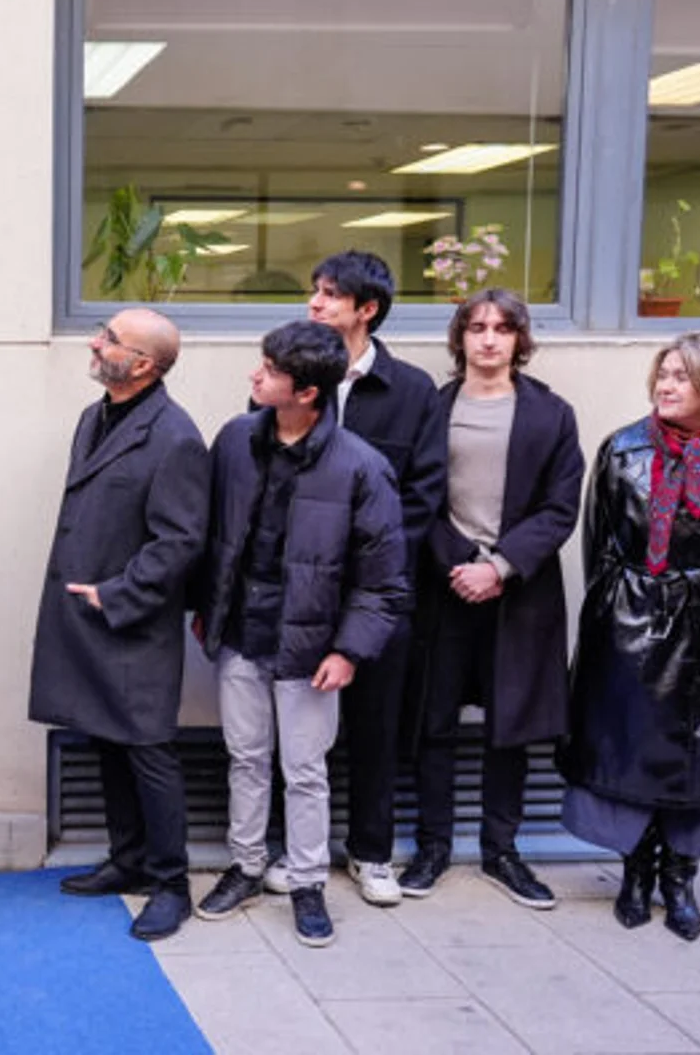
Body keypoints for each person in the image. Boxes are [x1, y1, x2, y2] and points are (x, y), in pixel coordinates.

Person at [193, 320, 408, 948]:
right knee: (245, 757)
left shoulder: (362, 467)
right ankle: (247, 866)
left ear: (308, 392)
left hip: (311, 648)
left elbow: (383, 578)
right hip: (239, 634)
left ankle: (308, 881)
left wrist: (349, 649)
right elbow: (212, 535)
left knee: (306, 768)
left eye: (268, 369)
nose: (254, 376)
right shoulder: (234, 440)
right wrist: (208, 607)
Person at [562, 332, 700, 941]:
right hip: (629, 616)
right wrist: (614, 612)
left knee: (698, 755)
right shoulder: (623, 451)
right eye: (664, 372)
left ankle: (680, 878)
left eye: (682, 376)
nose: (666, 384)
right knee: (630, 743)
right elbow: (599, 541)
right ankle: (635, 869)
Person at [263, 251, 444, 907]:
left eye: (330, 294)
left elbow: (423, 496)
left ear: (367, 309)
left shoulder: (415, 390)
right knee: (299, 724)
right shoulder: (286, 377)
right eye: (314, 291)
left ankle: (372, 852)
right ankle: (296, 848)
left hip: (378, 593)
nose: (314, 302)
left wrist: (369, 575)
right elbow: (267, 477)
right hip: (297, 593)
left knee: (376, 724)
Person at [27, 309, 210, 943]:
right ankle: (128, 860)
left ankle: (170, 884)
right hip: (88, 613)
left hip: (132, 620)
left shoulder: (176, 436)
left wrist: (118, 593)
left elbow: (180, 540)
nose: (94, 342)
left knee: (148, 750)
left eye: (109, 339)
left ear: (142, 365)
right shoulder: (95, 415)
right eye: (101, 332)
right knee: (106, 738)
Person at [396, 291, 583, 908]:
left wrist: (499, 567)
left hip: (518, 594)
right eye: (477, 327)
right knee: (434, 722)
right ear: (460, 337)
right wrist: (459, 563)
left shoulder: (551, 414)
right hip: (444, 586)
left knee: (512, 726)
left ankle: (502, 851)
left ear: (520, 340)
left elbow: (561, 507)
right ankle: (432, 848)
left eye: (503, 328)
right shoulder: (432, 407)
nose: (489, 339)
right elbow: (417, 495)